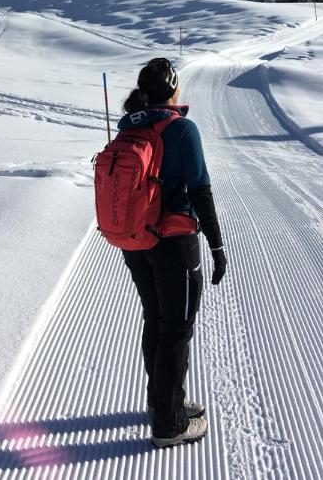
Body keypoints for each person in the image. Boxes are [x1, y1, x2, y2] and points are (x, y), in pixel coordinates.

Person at [119, 57, 227, 449]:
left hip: (136, 242)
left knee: (156, 319)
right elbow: (200, 190)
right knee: (176, 330)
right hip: (174, 245)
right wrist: (217, 245)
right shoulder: (182, 129)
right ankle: (170, 424)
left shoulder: (130, 126)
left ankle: (162, 402)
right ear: (173, 90)